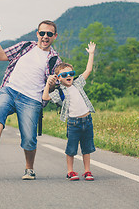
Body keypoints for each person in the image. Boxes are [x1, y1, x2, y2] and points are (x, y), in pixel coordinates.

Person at [0, 20, 62, 180]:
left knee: (29, 138)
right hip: (10, 89)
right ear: (37, 34)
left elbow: (54, 88)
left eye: (49, 34)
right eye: (42, 33)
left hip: (32, 99)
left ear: (54, 36)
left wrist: (51, 85)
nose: (45, 36)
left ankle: (29, 169)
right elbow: (0, 55)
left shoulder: (55, 60)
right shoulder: (25, 46)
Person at [42, 41, 96, 181]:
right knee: (71, 148)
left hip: (87, 120)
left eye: (71, 73)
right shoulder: (60, 91)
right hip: (73, 123)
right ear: (59, 78)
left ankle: (87, 171)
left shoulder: (77, 83)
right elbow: (45, 97)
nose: (69, 76)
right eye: (64, 74)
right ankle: (70, 171)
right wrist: (49, 83)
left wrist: (91, 54)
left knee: (87, 147)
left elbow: (88, 70)